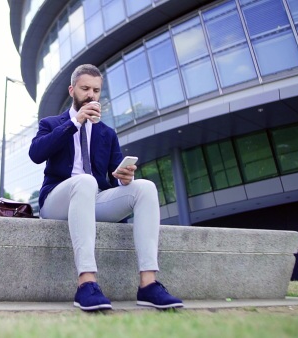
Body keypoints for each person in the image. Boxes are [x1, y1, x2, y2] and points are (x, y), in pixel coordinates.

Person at [29, 64, 183, 312]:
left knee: (145, 187)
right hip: (57, 201)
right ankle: (86, 284)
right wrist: (75, 122)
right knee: (85, 181)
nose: (91, 95)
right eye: (85, 88)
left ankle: (148, 284)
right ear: (72, 90)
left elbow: (114, 174)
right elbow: (36, 154)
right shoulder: (51, 123)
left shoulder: (107, 133)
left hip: (93, 200)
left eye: (96, 90)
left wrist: (124, 178)